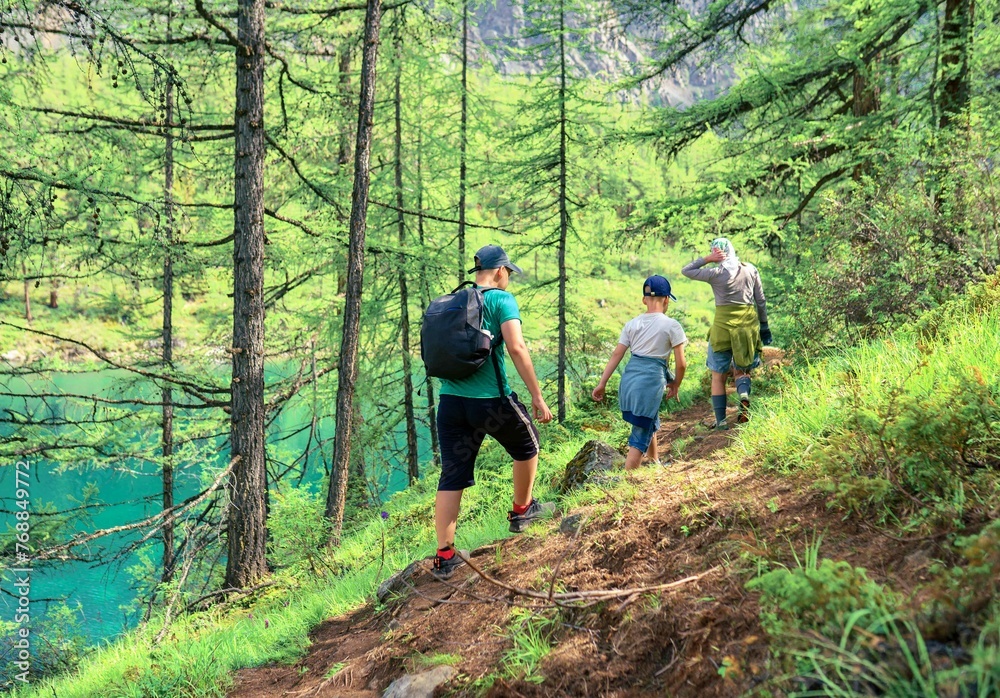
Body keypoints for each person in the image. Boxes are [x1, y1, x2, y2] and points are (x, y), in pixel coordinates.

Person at [431, 244, 555, 580]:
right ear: (501, 271)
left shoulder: (455, 301)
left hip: (451, 403)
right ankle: (522, 511)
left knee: (452, 475)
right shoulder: (501, 300)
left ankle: (445, 556)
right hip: (491, 402)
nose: (509, 278)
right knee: (527, 446)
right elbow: (515, 346)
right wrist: (537, 396)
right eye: (509, 273)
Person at [591, 275, 688, 470]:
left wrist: (602, 383)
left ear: (644, 299)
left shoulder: (632, 324)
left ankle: (654, 460)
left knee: (648, 418)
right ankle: (628, 479)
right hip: (650, 382)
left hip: (629, 381)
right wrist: (676, 383)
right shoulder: (671, 326)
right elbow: (681, 364)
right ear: (667, 299)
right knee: (641, 431)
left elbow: (617, 354)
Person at [681, 237, 771, 430]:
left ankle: (721, 422)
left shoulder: (715, 273)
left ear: (717, 253)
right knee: (743, 369)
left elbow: (686, 271)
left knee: (718, 376)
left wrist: (707, 259)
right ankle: (744, 396)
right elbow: (760, 300)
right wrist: (764, 325)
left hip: (722, 327)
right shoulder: (750, 269)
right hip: (747, 326)